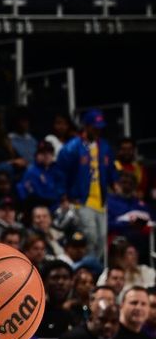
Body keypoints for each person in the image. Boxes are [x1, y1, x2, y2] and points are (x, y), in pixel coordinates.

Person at [57, 109, 117, 260]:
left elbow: (110, 169)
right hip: (81, 201)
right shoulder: (72, 147)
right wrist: (63, 196)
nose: (98, 131)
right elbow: (61, 173)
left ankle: (96, 269)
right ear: (86, 126)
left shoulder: (104, 146)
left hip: (101, 201)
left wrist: (114, 183)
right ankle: (88, 270)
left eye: (100, 127)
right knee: (90, 237)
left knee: (102, 239)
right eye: (94, 127)